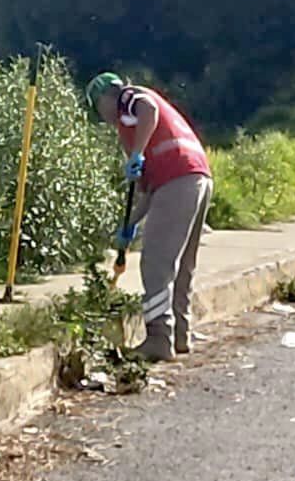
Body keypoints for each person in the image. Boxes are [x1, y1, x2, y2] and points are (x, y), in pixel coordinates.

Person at [85, 72, 212, 361]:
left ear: (107, 96)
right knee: (181, 266)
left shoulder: (128, 99)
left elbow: (149, 109)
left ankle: (158, 338)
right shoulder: (129, 129)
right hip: (196, 177)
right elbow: (145, 192)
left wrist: (137, 153)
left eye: (98, 105)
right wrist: (128, 226)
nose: (101, 114)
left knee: (156, 262)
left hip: (178, 178)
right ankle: (180, 335)